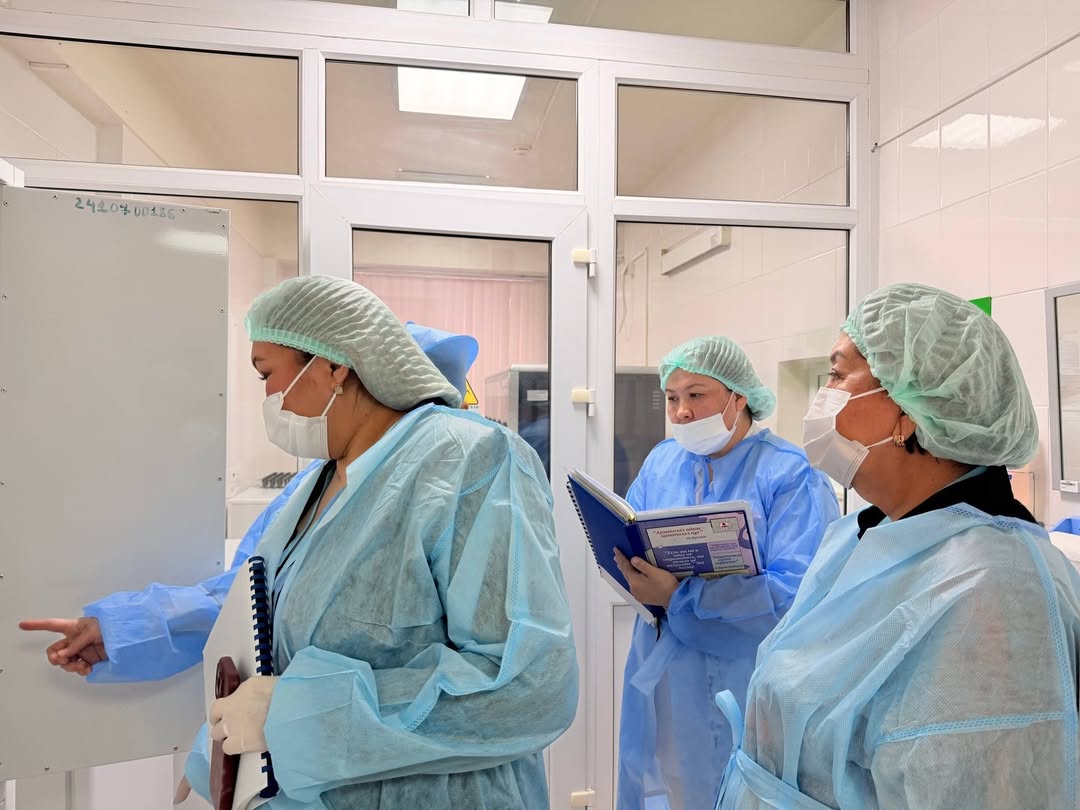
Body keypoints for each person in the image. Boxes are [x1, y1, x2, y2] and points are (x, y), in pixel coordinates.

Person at [185, 275, 576, 809]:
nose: (267, 399)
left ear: (332, 367)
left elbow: (528, 685)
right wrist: (219, 745)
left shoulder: (469, 461)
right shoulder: (322, 482)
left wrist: (296, 715)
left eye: (266, 374)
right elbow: (269, 635)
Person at [714, 282, 1080, 809]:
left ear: (908, 412)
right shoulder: (863, 534)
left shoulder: (994, 589)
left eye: (838, 375)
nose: (823, 395)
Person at [18, 321, 482, 681]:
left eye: (268, 373)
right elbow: (248, 595)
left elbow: (497, 676)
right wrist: (123, 629)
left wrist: (321, 710)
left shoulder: (472, 483)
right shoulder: (316, 484)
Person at [613, 336, 840, 810]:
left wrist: (680, 597)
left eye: (696, 395)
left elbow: (798, 597)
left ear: (739, 398)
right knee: (674, 787)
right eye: (672, 398)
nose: (681, 412)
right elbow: (629, 534)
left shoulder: (790, 475)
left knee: (744, 793)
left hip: (748, 684)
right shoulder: (662, 462)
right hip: (670, 681)